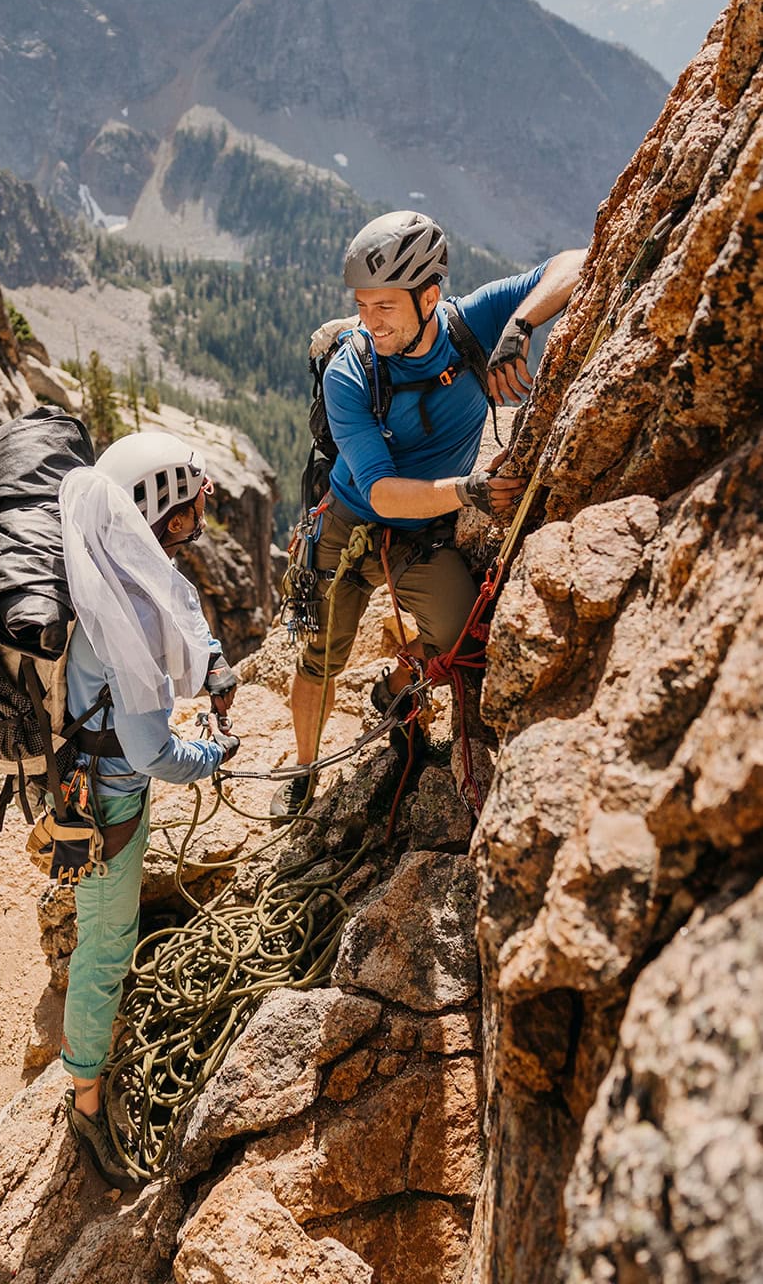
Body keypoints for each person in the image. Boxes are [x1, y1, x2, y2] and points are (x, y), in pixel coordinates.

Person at [275, 209, 585, 820]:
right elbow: (385, 492)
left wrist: (522, 325)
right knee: (317, 659)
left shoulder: (471, 324)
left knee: (460, 636)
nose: (369, 322)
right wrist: (469, 490)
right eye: (362, 306)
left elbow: (576, 260)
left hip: (421, 533)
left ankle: (395, 688)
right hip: (346, 521)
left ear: (430, 297)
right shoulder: (350, 371)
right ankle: (306, 771)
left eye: (384, 306)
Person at [56, 431, 239, 1188]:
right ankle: (86, 1101)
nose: (200, 511)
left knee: (101, 930)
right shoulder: (122, 611)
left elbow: (177, 626)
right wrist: (213, 756)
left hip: (83, 775)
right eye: (191, 500)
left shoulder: (97, 568)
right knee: (105, 947)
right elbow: (151, 756)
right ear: (161, 507)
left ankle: (86, 1077)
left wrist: (212, 664)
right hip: (110, 800)